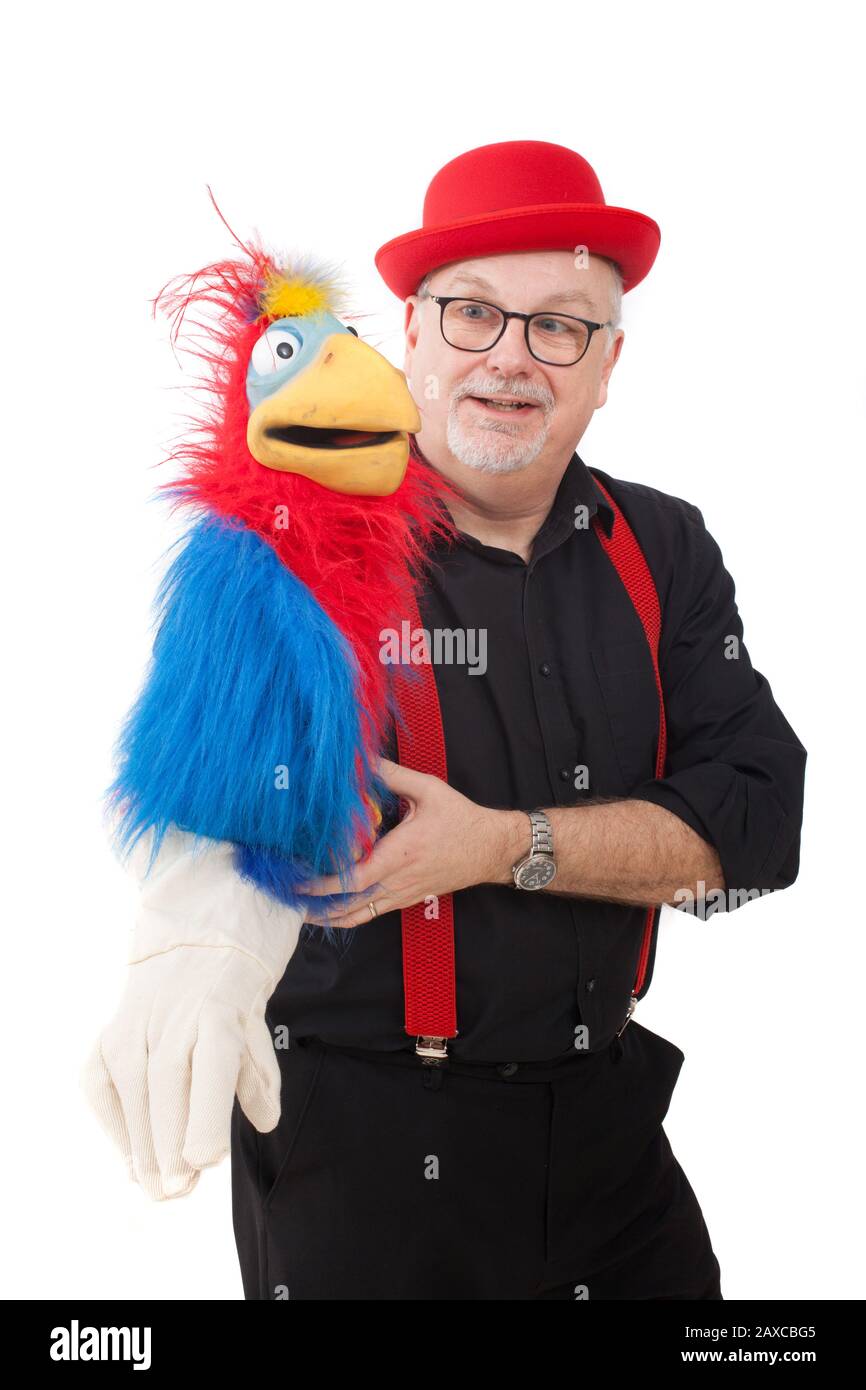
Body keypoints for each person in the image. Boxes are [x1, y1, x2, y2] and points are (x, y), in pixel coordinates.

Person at [228, 140, 807, 1300]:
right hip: (363, 1149)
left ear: (607, 364)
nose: (511, 357)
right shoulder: (301, 549)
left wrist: (499, 844)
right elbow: (206, 817)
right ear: (410, 335)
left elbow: (755, 832)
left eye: (559, 325)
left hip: (606, 1135)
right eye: (472, 314)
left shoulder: (667, 548)